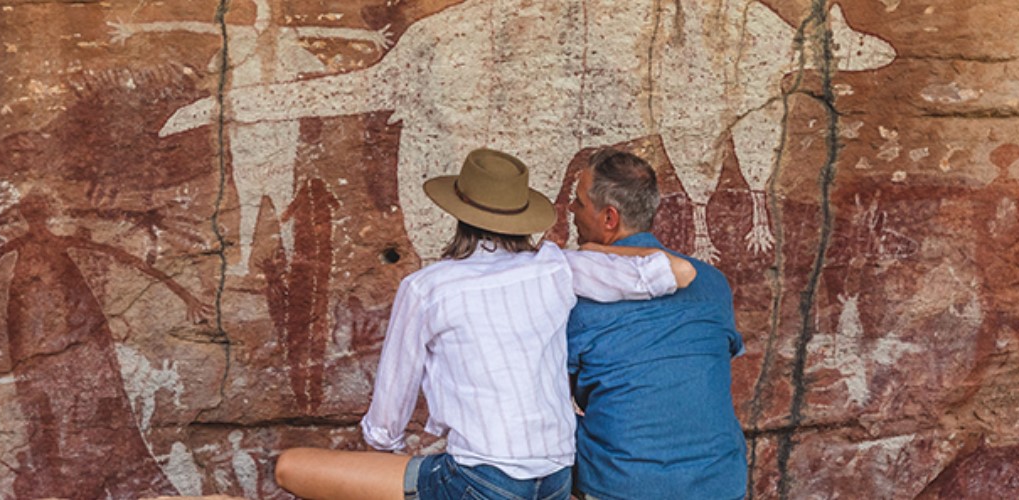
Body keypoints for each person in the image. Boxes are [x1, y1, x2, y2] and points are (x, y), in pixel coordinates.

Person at [274, 148, 698, 500]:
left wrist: (390, 459)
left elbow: (387, 423)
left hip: (481, 481)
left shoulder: (428, 287)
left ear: (458, 212)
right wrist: (583, 254)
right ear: (521, 215)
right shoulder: (555, 267)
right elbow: (677, 273)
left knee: (291, 467)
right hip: (553, 479)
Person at [564, 150, 749, 499]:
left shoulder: (576, 294)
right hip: (720, 480)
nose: (571, 211)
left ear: (609, 218)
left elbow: (554, 392)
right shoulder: (712, 283)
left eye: (578, 202)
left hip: (625, 484)